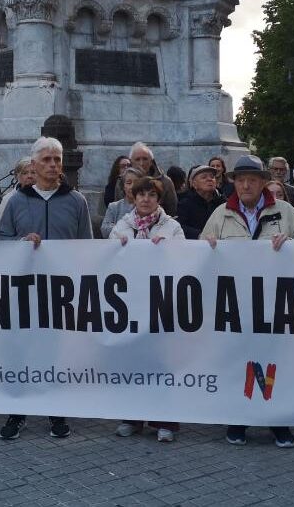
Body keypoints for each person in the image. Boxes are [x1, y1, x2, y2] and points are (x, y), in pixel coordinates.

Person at [201, 155, 294, 448]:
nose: (246, 184)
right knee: (239, 361)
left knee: (275, 362)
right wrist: (204, 248)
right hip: (236, 305)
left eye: (252, 179)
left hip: (275, 303)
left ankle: (277, 419)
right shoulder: (221, 214)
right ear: (234, 182)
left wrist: (292, 247)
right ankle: (240, 417)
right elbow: (200, 259)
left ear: (263, 182)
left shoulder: (286, 212)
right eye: (240, 179)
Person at [0, 136, 92, 440]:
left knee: (56, 350)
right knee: (21, 349)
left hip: (61, 293)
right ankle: (18, 411)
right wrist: (20, 244)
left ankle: (56, 410)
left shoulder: (77, 201)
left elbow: (86, 247)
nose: (53, 165)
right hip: (24, 290)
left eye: (57, 160)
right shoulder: (14, 200)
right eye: (47, 160)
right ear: (33, 164)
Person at [110, 176, 184, 441]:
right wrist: (116, 249)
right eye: (141, 194)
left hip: (162, 303)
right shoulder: (122, 226)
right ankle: (132, 418)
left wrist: (167, 250)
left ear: (158, 199)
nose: (145, 199)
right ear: (133, 197)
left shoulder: (172, 227)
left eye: (151, 195)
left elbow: (185, 260)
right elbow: (108, 260)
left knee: (163, 362)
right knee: (133, 361)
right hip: (131, 303)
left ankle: (165, 422)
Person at [0, 158, 36, 240]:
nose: (29, 176)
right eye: (25, 173)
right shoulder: (9, 199)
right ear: (17, 176)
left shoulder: (45, 196)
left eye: (33, 172)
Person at [128, 143, 178, 216]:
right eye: (137, 159)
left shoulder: (165, 182)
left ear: (151, 161)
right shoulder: (122, 181)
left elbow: (172, 210)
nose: (141, 163)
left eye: (145, 159)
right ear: (131, 162)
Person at [178, 165, 224, 240]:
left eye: (212, 177)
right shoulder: (185, 204)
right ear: (194, 184)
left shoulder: (223, 202)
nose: (209, 179)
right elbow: (179, 227)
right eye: (204, 177)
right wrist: (200, 235)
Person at [101, 167, 145, 238]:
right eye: (128, 183)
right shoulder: (114, 207)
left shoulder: (147, 206)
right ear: (124, 186)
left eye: (136, 182)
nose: (132, 186)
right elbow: (105, 229)